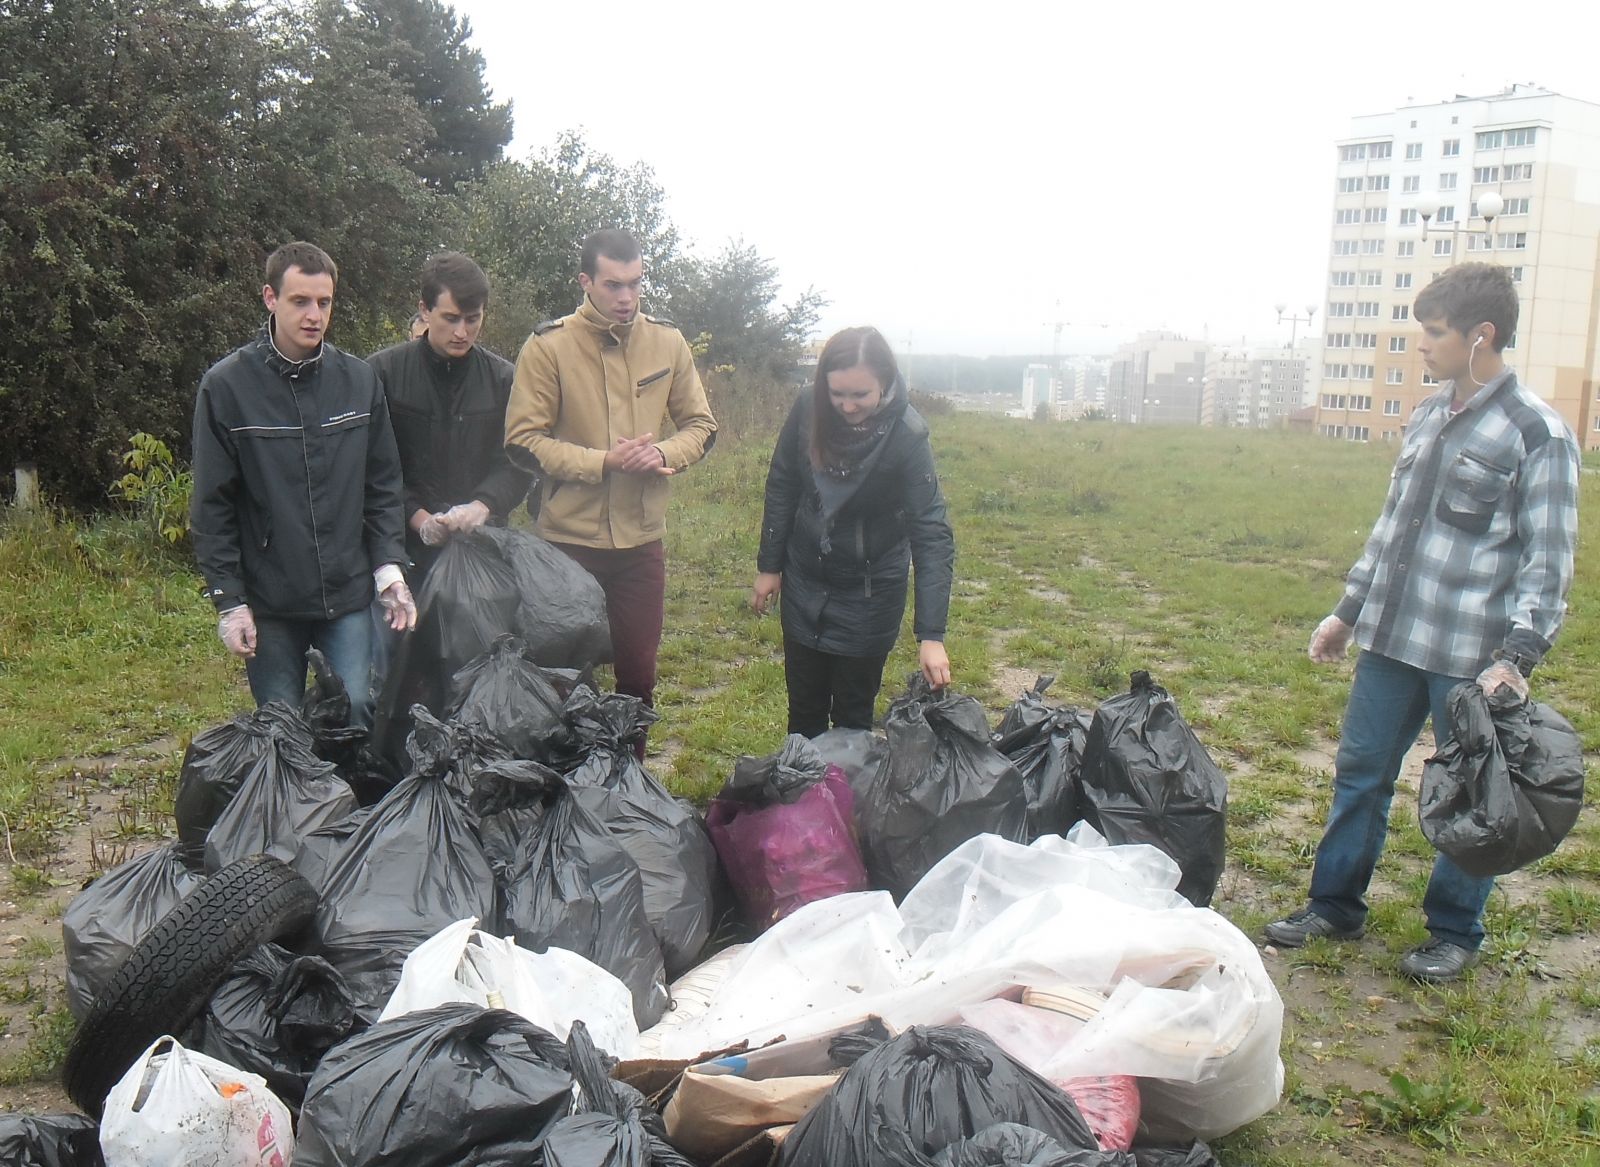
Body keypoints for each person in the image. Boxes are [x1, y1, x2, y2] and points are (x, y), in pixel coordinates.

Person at [1264, 262, 1579, 982]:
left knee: (1475, 797)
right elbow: (1393, 528)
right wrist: (1348, 612)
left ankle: (1455, 930)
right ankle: (1334, 904)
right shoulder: (1429, 414)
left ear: (1482, 335)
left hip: (1473, 659)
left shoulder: (1539, 433)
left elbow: (1547, 562)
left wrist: (1516, 658)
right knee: (1360, 773)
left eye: (1434, 333)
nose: (1422, 346)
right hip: (1393, 640)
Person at [191, 241, 417, 730]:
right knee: (280, 726)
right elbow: (213, 505)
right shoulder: (227, 388)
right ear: (271, 298)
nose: (314, 315)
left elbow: (383, 486)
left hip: (347, 592)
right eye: (300, 301)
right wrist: (229, 601)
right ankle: (293, 806)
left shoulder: (359, 381)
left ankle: (349, 805)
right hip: (271, 597)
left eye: (324, 302)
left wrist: (389, 569)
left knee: (358, 709)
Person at [504, 228, 717, 738]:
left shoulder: (666, 341)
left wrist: (663, 453)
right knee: (564, 681)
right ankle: (564, 793)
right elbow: (522, 441)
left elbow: (702, 426)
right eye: (614, 285)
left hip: (640, 542)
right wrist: (603, 462)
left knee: (638, 679)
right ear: (586, 282)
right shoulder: (548, 346)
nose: (626, 298)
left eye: (635, 284)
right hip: (567, 544)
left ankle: (630, 793)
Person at [750, 325, 955, 736]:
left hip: (870, 590)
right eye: (837, 393)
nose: (846, 406)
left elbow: (931, 531)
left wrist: (931, 634)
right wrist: (769, 566)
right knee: (803, 712)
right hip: (806, 577)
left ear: (885, 383)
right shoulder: (809, 407)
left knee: (853, 717)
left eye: (860, 395)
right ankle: (803, 796)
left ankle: (846, 798)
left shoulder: (907, 435)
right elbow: (784, 480)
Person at [368, 251, 533, 576]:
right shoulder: (381, 373)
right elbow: (370, 469)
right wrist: (418, 518)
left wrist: (482, 506)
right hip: (399, 549)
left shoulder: (504, 380)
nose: (462, 332)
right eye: (451, 318)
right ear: (425, 311)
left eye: (472, 319)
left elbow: (516, 462)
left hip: (482, 547)